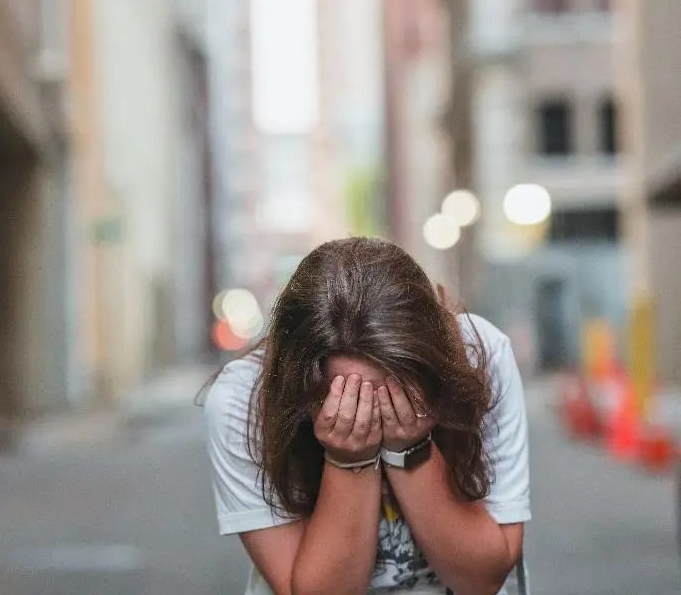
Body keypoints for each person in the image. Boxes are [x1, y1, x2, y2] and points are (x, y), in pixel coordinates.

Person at [205, 237, 531, 595]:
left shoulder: (479, 355)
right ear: (299, 382)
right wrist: (349, 459)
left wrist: (410, 448)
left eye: (390, 390)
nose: (367, 413)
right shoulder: (244, 397)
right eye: (345, 396)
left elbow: (482, 580)